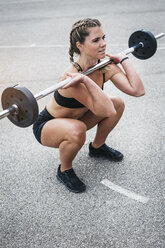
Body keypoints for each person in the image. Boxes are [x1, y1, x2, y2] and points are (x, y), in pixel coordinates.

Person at [33, 18, 145, 193]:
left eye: (103, 38)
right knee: (77, 130)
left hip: (78, 119)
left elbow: (137, 91)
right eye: (96, 40)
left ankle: (97, 147)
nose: (103, 44)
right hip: (48, 126)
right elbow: (105, 110)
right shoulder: (71, 77)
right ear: (80, 45)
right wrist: (84, 79)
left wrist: (124, 60)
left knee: (118, 103)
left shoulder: (105, 67)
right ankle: (64, 170)